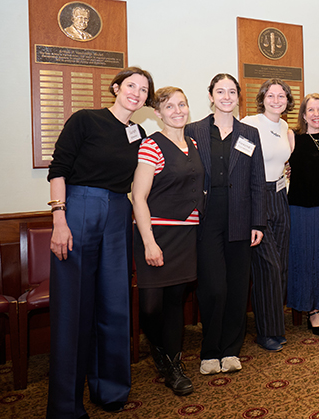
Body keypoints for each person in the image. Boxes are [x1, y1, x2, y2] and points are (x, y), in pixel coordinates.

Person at [47, 66, 154, 417]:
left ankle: (110, 390)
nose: (136, 92)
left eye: (143, 89)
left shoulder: (138, 133)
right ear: (116, 88)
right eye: (131, 85)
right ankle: (66, 406)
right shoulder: (85, 120)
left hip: (117, 214)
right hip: (78, 208)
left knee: (115, 305)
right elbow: (59, 168)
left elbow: (145, 178)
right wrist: (59, 219)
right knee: (74, 311)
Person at [185, 73, 266, 375]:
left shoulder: (249, 133)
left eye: (232, 91)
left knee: (236, 286)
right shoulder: (193, 131)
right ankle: (210, 350)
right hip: (206, 218)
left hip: (241, 218)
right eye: (221, 91)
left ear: (238, 96)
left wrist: (258, 221)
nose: (227, 97)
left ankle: (231, 350)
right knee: (212, 287)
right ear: (211, 96)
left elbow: (257, 180)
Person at [132, 86, 200, 395]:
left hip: (187, 234)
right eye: (169, 106)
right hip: (156, 234)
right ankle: (159, 350)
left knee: (175, 303)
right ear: (158, 114)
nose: (178, 110)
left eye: (182, 104)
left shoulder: (195, 145)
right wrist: (149, 242)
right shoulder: (151, 146)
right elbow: (139, 197)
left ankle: (173, 365)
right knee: (149, 307)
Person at [241, 79, 294, 352]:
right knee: (268, 267)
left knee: (281, 266)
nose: (277, 100)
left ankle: (275, 326)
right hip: (257, 198)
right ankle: (266, 332)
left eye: (282, 95)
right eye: (271, 95)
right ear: (262, 98)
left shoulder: (285, 126)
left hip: (279, 197)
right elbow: (239, 164)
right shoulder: (249, 123)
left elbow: (283, 162)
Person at [286, 93, 319, 335]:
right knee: (307, 259)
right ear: (304, 114)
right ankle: (311, 310)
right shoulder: (293, 137)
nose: (316, 114)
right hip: (302, 209)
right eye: (311, 110)